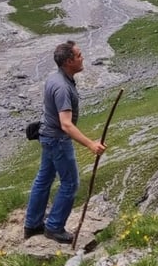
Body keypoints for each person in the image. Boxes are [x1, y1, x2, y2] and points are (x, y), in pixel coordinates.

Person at [24, 40, 106, 244]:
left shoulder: (54, 78)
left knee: (43, 179)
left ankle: (32, 224)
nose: (82, 58)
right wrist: (90, 144)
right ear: (69, 61)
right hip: (58, 141)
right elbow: (66, 124)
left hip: (47, 137)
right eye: (79, 56)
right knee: (70, 183)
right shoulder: (62, 87)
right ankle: (54, 227)